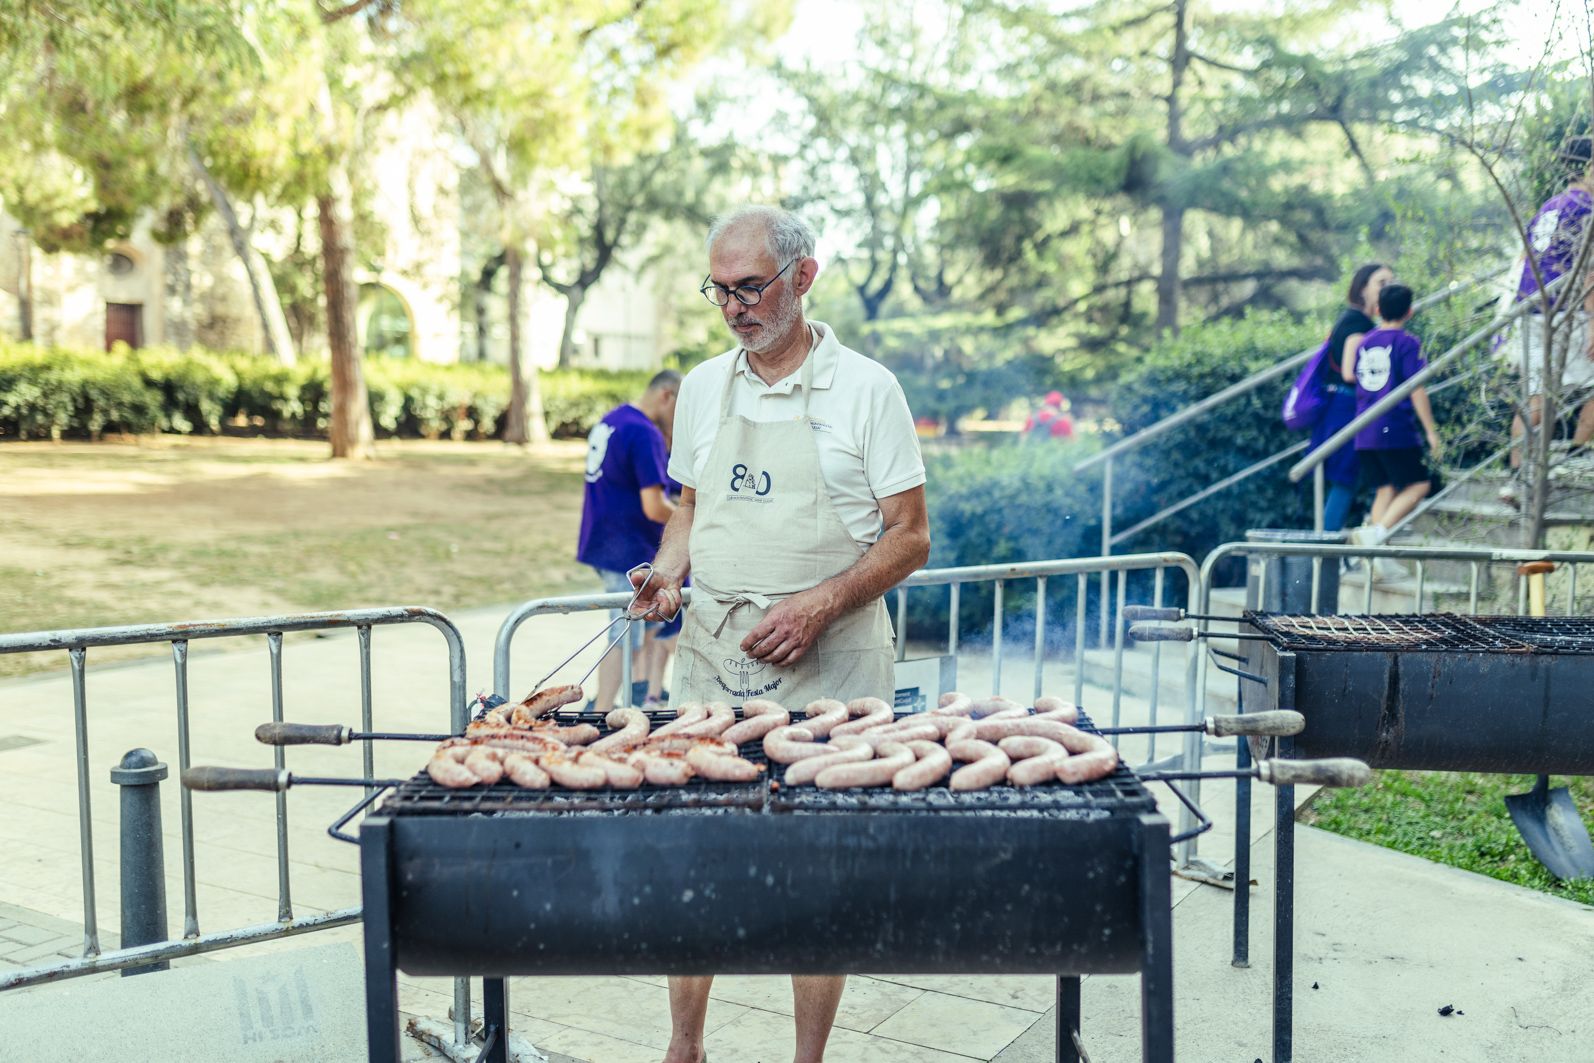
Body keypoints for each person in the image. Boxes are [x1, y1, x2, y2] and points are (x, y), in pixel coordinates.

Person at [628, 204, 931, 1063]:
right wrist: (667, 571)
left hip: (830, 670)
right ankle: (684, 1049)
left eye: (749, 287)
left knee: (819, 873)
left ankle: (808, 1060)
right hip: (715, 662)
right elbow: (690, 506)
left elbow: (910, 533)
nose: (733, 307)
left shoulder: (867, 389)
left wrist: (819, 605)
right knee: (698, 862)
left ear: (803, 276)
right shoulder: (702, 387)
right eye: (719, 291)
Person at [575, 369, 681, 712]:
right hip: (626, 548)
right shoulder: (643, 432)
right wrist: (691, 522)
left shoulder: (614, 419)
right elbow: (654, 507)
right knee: (625, 634)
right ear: (667, 395)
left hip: (602, 539)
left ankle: (633, 696)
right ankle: (601, 710)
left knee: (637, 630)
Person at [1501, 136, 1594, 506]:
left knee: (1534, 399)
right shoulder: (1587, 208)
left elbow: (1525, 256)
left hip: (1532, 310)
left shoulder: (1551, 205)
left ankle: (1515, 476)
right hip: (1564, 312)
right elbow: (1590, 273)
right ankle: (1576, 455)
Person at [1345, 284, 1441, 562]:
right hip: (1394, 426)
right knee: (1420, 484)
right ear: (1410, 311)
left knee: (1385, 488)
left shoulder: (1366, 341)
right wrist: (1431, 432)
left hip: (1364, 427)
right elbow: (1417, 388)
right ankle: (1376, 535)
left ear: (1377, 310)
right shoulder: (1407, 343)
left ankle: (1376, 556)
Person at [1313, 263, 1394, 530]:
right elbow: (1350, 372)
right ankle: (1325, 548)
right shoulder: (1357, 323)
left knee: (1345, 479)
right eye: (1381, 283)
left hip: (1340, 403)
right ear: (1363, 289)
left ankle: (1327, 544)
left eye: (1390, 283)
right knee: (1344, 480)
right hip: (1346, 405)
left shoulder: (1351, 320)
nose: (1387, 289)